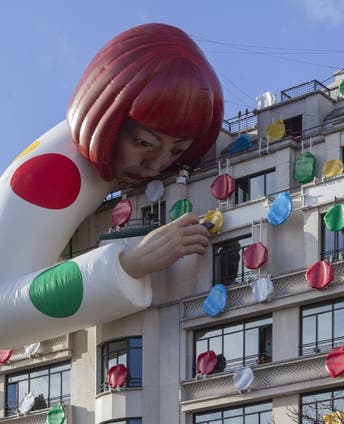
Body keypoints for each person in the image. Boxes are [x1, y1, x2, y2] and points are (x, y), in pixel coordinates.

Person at [0, 23, 223, 349]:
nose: (157, 163)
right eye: (144, 142)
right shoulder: (50, 173)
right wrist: (128, 264)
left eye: (176, 151)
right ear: (109, 121)